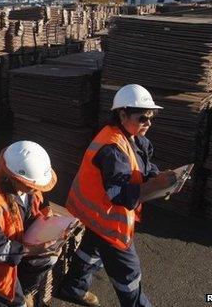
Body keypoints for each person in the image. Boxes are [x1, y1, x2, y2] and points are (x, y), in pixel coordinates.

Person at [57, 84, 177, 307]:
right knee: (129, 275)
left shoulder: (134, 137)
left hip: (95, 213)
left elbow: (142, 165)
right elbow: (118, 193)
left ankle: (73, 288)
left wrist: (158, 177)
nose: (148, 123)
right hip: (108, 219)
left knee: (90, 250)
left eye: (151, 117)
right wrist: (154, 186)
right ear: (122, 114)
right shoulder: (111, 149)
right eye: (143, 118)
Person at [0, 140, 63, 307]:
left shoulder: (26, 187)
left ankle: (25, 289)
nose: (36, 189)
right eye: (32, 185)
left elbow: (35, 210)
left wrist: (52, 226)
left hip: (17, 240)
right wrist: (32, 249)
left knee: (48, 259)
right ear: (17, 178)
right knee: (16, 303)